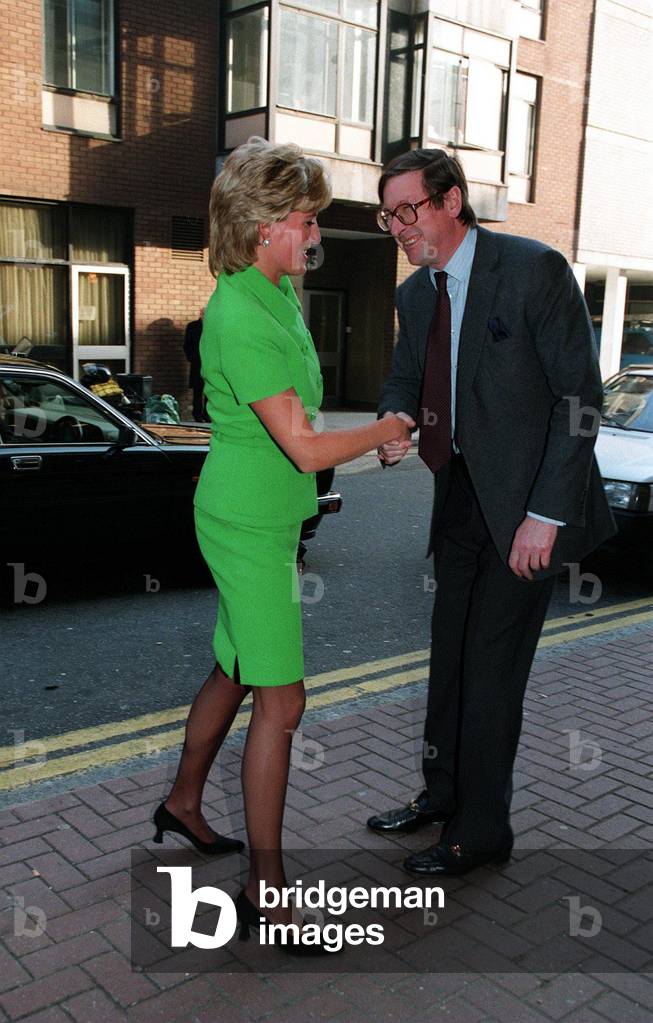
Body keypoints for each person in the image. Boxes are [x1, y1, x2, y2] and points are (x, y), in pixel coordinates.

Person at [152, 137, 413, 949]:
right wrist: (384, 429)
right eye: (305, 220)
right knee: (283, 697)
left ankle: (184, 803)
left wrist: (368, 435)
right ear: (264, 225)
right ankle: (268, 889)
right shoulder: (241, 311)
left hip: (265, 511)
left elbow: (298, 429)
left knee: (236, 668)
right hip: (245, 521)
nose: (313, 235)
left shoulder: (273, 293)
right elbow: (301, 443)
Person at [367, 148, 616, 876]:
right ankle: (440, 795)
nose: (397, 228)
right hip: (459, 503)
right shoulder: (416, 295)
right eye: (388, 216)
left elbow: (579, 403)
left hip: (528, 509)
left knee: (489, 672)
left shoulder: (531, 269)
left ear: (451, 202)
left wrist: (545, 513)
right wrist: (390, 421)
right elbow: (403, 379)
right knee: (448, 661)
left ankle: (482, 831)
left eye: (407, 210)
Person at [183, 309, 209, 422]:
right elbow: (187, 345)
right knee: (198, 390)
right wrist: (192, 358)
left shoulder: (212, 326)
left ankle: (206, 415)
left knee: (209, 391)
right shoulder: (192, 326)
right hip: (197, 363)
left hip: (210, 364)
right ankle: (197, 414)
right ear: (201, 314)